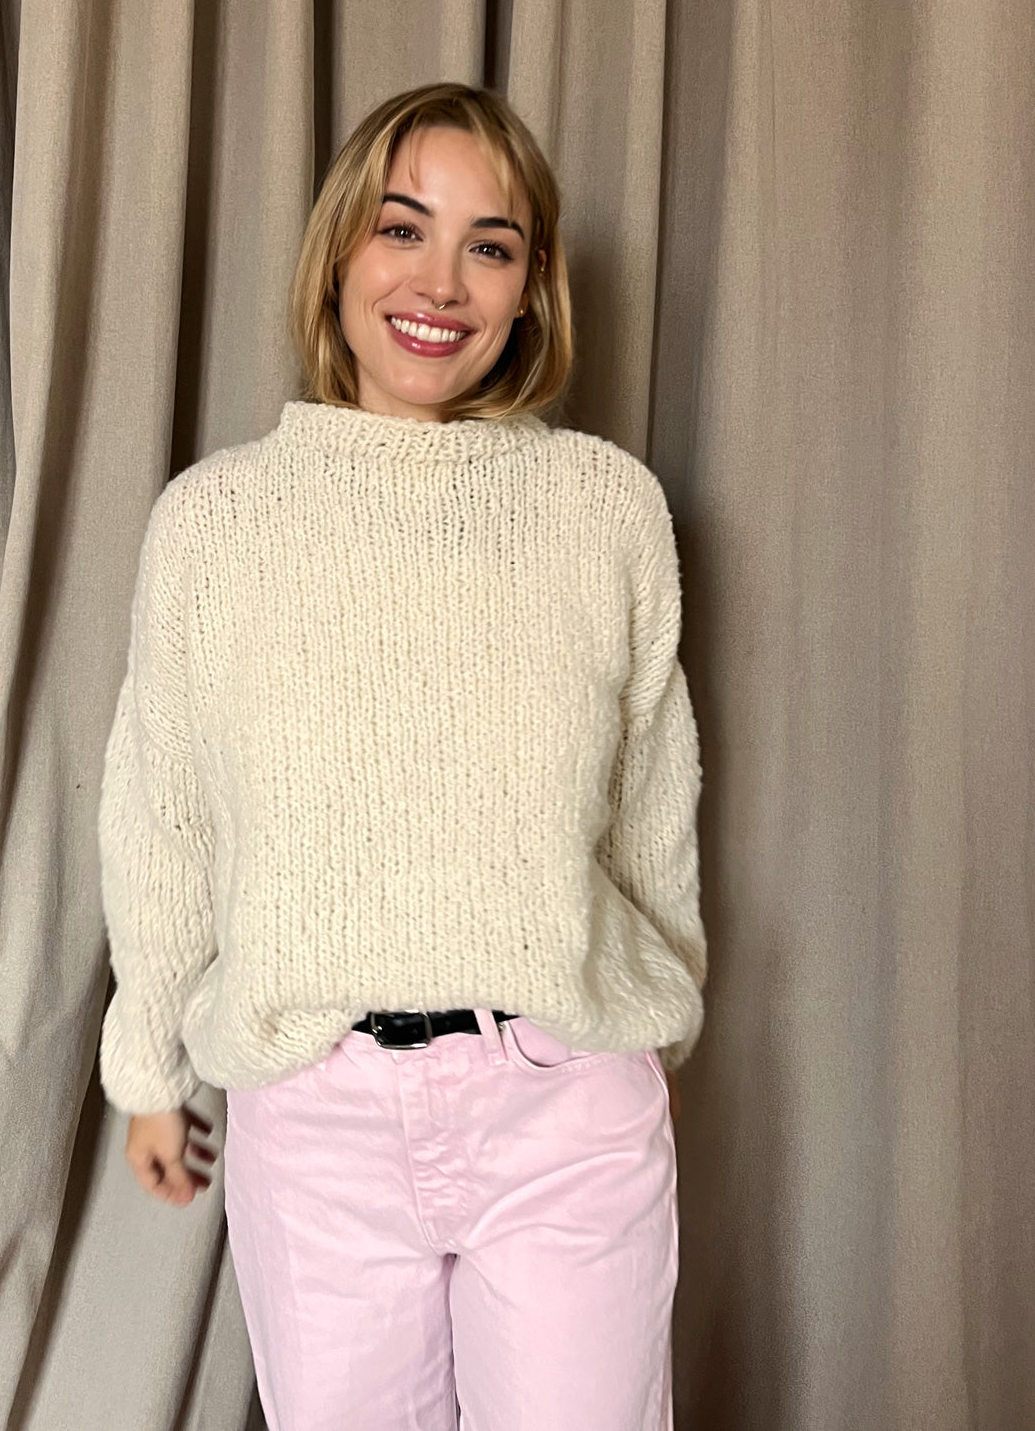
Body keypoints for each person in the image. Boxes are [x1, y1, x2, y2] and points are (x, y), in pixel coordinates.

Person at [97, 81, 706, 1431]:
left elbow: (650, 803)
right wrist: (148, 1071)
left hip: (561, 1106)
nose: (441, 282)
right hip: (315, 1117)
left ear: (531, 287)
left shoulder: (604, 510)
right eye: (402, 228)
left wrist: (648, 1019)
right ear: (339, 254)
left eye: (491, 245)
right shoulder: (214, 523)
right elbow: (165, 814)